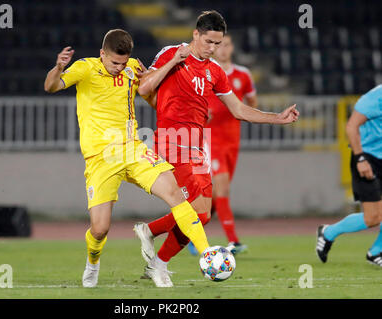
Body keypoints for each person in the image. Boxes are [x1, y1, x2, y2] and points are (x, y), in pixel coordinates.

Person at [134, 10, 299, 287]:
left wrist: (276, 118)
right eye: (209, 42)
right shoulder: (171, 53)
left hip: (199, 146)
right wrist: (174, 61)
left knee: (204, 215)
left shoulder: (215, 72)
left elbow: (238, 109)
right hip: (171, 140)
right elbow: (144, 88)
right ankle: (158, 265)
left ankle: (149, 230)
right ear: (196, 34)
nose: (213, 49)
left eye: (218, 44)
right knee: (195, 214)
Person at [44, 29, 212, 288]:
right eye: (114, 63)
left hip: (132, 149)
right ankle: (93, 262)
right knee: (100, 229)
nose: (118, 68)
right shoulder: (85, 68)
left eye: (123, 63)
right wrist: (58, 68)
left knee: (176, 194)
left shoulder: (132, 68)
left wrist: (182, 110)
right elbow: (51, 86)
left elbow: (150, 94)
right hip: (101, 157)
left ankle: (208, 255)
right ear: (102, 54)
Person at [187, 33, 258, 256]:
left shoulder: (243, 75)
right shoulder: (207, 71)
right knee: (223, 189)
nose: (224, 49)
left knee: (217, 195)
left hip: (232, 141)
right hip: (209, 140)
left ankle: (190, 235)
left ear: (232, 47)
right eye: (220, 45)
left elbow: (251, 101)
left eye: (227, 44)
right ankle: (234, 241)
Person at [316, 84, 382, 267]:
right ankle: (328, 233)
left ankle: (376, 252)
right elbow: (351, 126)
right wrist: (360, 158)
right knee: (373, 218)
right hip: (368, 158)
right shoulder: (375, 98)